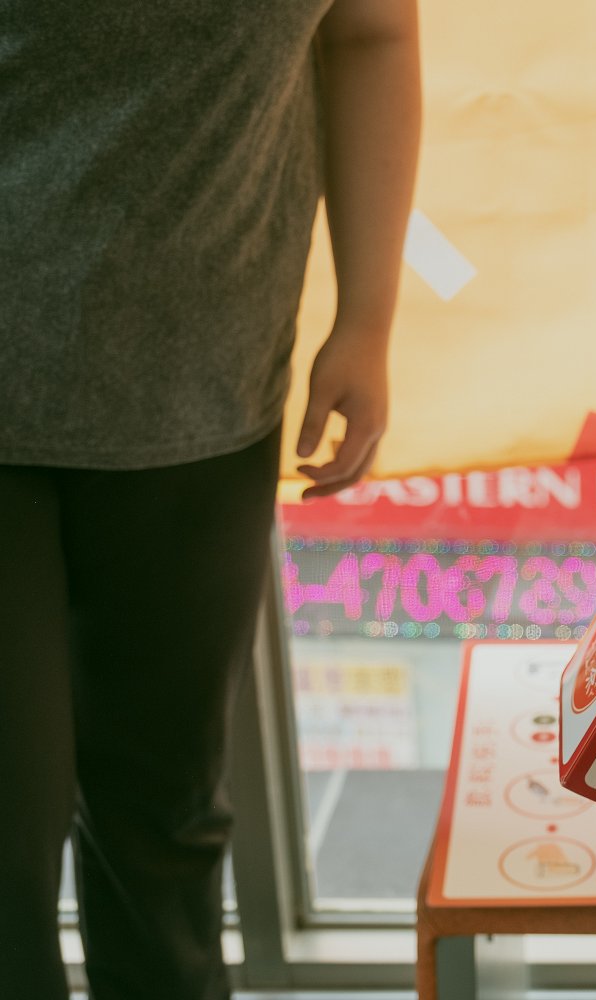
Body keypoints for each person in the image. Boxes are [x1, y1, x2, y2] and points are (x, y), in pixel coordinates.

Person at [0, 2, 420, 997]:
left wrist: (367, 318)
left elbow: (370, 33)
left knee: (168, 826)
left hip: (209, 388)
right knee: (7, 844)